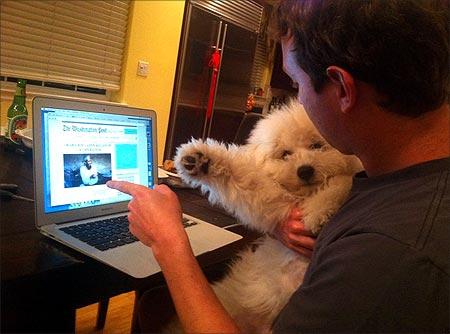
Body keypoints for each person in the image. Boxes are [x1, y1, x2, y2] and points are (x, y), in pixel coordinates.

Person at [107, 0, 449, 332]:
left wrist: (169, 243)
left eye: (297, 84)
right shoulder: (389, 181)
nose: (298, 99)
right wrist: (281, 222)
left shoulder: (391, 252)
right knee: (155, 304)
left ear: (343, 88)